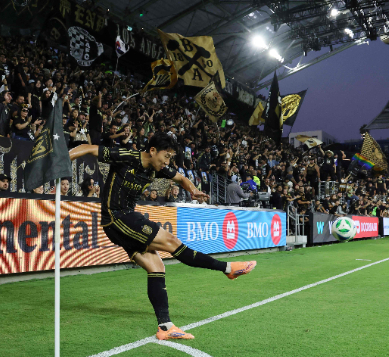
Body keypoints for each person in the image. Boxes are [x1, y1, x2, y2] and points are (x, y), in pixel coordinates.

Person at [68, 133, 256, 340]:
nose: (167, 162)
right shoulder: (126, 156)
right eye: (166, 156)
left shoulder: (158, 168)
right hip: (116, 217)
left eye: (170, 158)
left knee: (156, 267)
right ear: (152, 151)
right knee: (172, 243)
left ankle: (165, 327)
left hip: (124, 219)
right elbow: (87, 148)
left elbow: (181, 178)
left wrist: (193, 190)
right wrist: (61, 160)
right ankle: (228, 268)